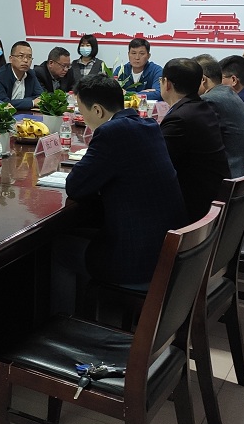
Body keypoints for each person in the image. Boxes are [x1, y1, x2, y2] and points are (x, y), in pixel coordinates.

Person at [52, 74, 186, 314]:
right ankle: (89, 311)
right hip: (165, 251)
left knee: (57, 250)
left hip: (139, 262)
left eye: (82, 111)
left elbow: (75, 186)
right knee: (79, 233)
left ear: (97, 110)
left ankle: (65, 325)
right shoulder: (147, 125)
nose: (82, 117)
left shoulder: (112, 133)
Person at [158, 58, 231, 224]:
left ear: (167, 84)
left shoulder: (180, 118)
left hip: (196, 209)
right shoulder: (201, 107)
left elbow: (157, 163)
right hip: (212, 198)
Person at [194, 54, 244, 178]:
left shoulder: (209, 99)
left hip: (237, 177)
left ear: (203, 79)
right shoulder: (229, 93)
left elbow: (199, 142)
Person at [0, 40, 43, 111]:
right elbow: (3, 104)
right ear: (11, 59)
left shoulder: (31, 74)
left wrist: (16, 103)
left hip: (26, 114)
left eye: (29, 57)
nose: (26, 60)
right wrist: (31, 102)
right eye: (21, 56)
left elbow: (40, 97)